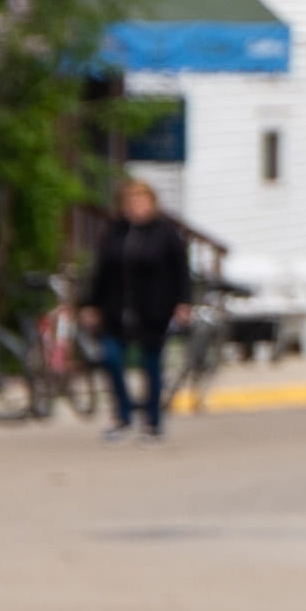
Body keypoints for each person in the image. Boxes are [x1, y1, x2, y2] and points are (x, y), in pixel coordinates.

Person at [83, 175, 199, 438]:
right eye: (130, 201)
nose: (135, 206)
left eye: (140, 201)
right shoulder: (114, 232)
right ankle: (123, 415)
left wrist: (183, 303)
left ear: (151, 203)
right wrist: (90, 304)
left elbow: (181, 272)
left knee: (151, 366)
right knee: (110, 358)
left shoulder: (166, 234)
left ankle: (153, 422)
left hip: (153, 310)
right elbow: (101, 270)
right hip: (116, 310)